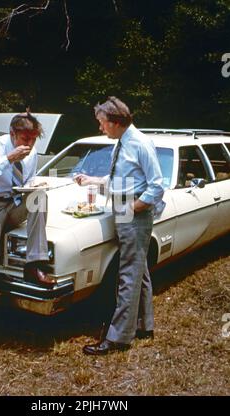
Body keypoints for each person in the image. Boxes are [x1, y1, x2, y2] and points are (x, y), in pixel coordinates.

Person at [74, 96, 165, 355]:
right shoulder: (122, 142)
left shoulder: (139, 144)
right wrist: (91, 180)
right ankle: (143, 324)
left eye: (102, 123)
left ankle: (118, 338)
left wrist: (131, 208)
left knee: (128, 273)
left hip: (134, 214)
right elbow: (120, 179)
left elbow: (156, 185)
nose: (100, 128)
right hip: (125, 209)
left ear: (115, 122)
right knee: (138, 269)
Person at [0, 111, 53, 362]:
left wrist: (34, 186)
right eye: (24, 138)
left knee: (40, 197)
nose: (29, 145)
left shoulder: (32, 152)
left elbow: (25, 183)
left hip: (12, 204)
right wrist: (7, 159)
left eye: (33, 139)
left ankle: (34, 263)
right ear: (13, 133)